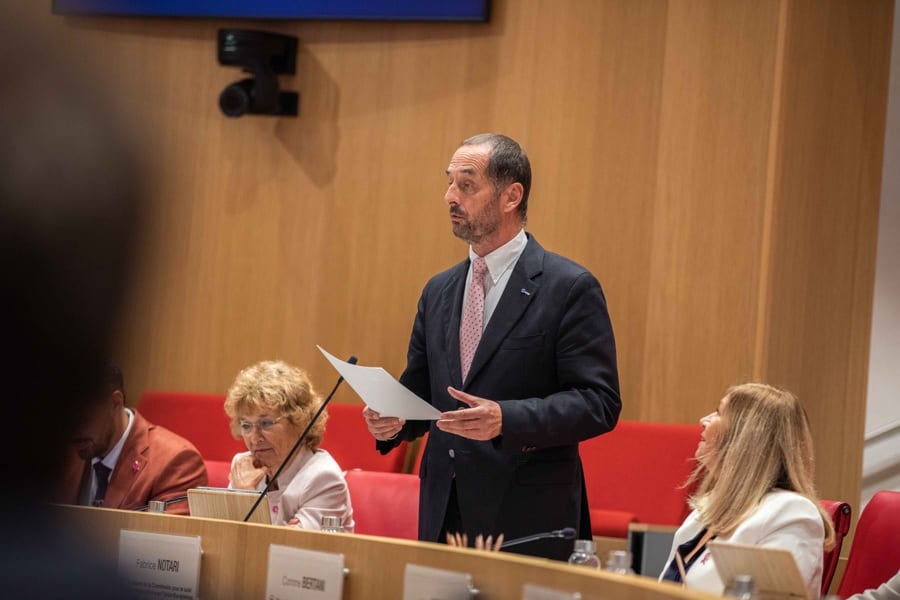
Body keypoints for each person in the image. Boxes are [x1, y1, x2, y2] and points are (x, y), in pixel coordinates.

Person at [363, 133, 621, 561]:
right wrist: (396, 419)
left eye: (466, 185)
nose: (450, 196)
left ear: (511, 196)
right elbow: (424, 392)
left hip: (526, 517)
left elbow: (599, 402)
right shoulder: (438, 290)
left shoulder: (568, 287)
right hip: (444, 510)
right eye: (449, 183)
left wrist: (507, 418)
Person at [659, 383, 835, 599]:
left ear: (746, 436)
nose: (703, 420)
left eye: (718, 412)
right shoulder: (708, 508)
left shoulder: (791, 513)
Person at [57, 361, 208, 514]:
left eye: (82, 418)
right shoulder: (60, 454)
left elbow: (164, 530)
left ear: (115, 402)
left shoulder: (176, 463)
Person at [225, 360, 354, 531]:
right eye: (246, 425)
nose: (254, 438)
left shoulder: (323, 478)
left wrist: (244, 496)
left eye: (266, 423)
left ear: (299, 421)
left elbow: (286, 547)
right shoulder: (244, 468)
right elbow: (223, 537)